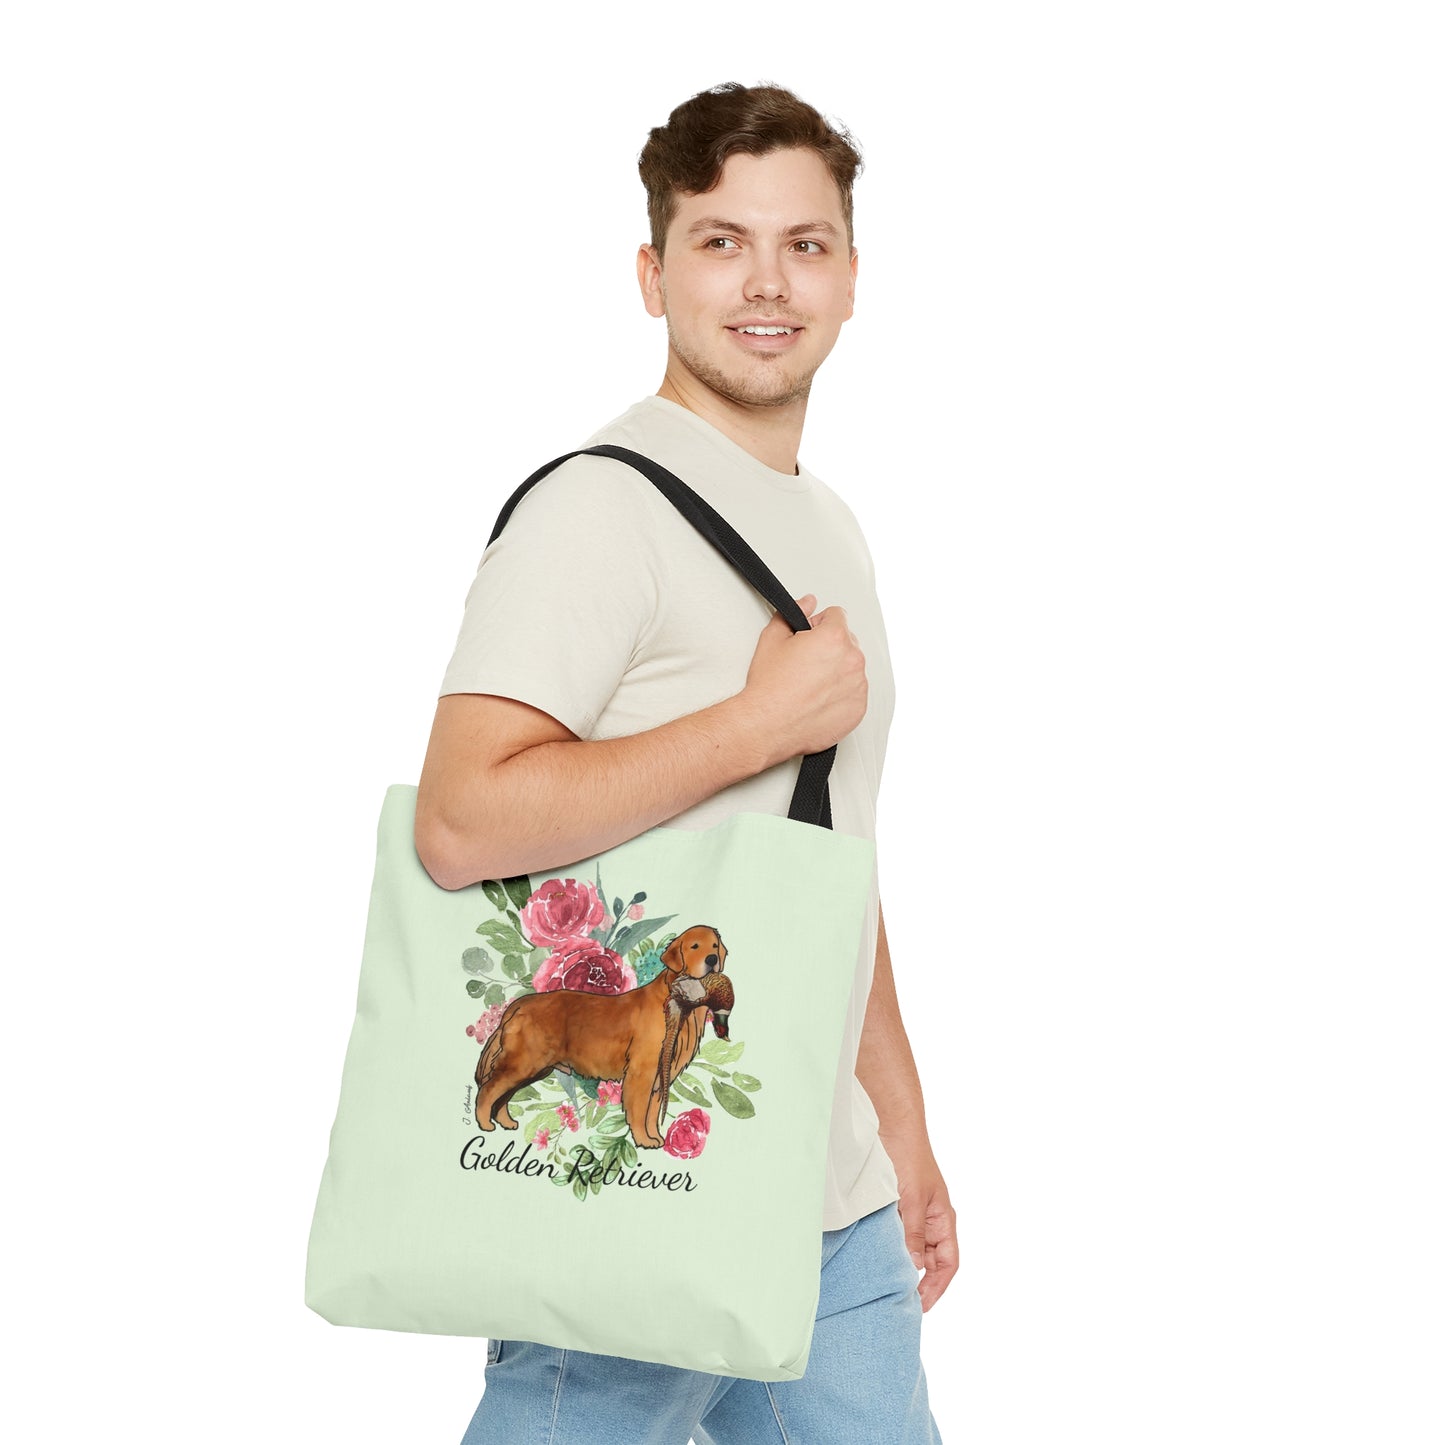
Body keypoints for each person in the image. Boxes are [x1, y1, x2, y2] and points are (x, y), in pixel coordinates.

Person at [416, 80, 955, 1445]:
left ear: (849, 277)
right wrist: (752, 725)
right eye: (722, 242)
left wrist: (899, 1129)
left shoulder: (828, 525)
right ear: (654, 276)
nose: (767, 282)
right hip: (635, 1201)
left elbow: (825, 853)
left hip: (828, 1208)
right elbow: (461, 819)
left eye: (803, 244)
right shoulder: (596, 509)